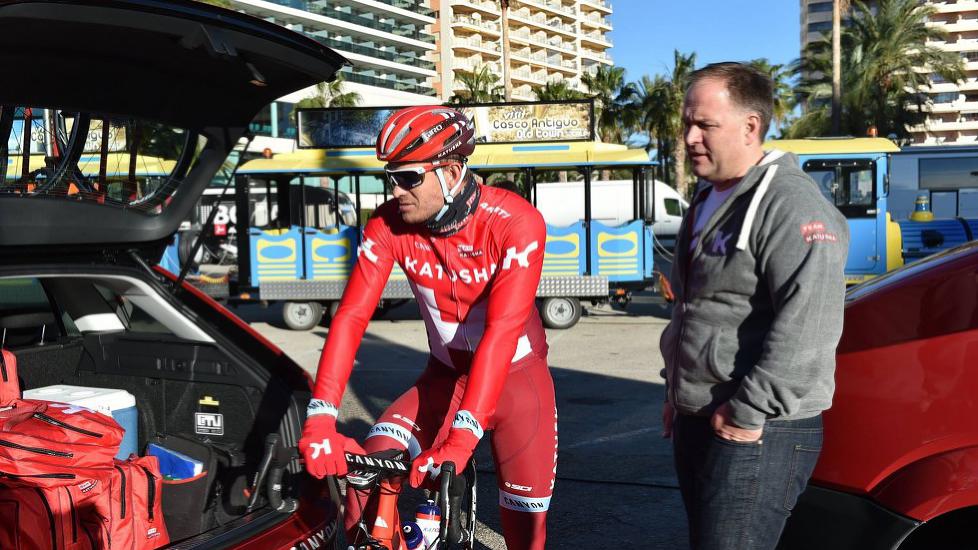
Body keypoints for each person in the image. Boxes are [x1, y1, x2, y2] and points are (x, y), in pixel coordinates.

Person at [299, 106, 556, 550]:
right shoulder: (386, 224)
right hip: (445, 378)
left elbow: (502, 331)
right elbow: (351, 317)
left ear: (452, 171)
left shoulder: (515, 222)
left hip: (517, 383)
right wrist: (320, 417)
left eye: (408, 178)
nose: (395, 190)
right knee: (368, 474)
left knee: (524, 536)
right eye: (390, 177)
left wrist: (461, 437)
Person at [659, 62, 849, 550]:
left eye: (706, 125)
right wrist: (675, 392)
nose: (691, 137)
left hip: (761, 429)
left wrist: (747, 411)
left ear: (751, 127)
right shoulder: (707, 198)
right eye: (687, 123)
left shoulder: (792, 205)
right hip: (700, 417)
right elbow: (696, 308)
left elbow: (809, 326)